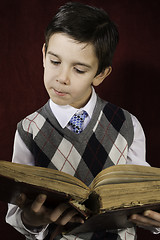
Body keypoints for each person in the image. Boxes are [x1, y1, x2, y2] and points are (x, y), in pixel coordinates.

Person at [5, 2, 160, 240]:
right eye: (55, 62)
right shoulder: (28, 129)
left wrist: (155, 219)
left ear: (100, 74)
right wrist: (31, 220)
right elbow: (16, 211)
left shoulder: (128, 125)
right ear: (44, 55)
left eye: (79, 69)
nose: (62, 78)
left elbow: (144, 195)